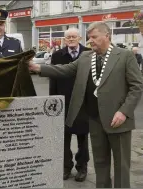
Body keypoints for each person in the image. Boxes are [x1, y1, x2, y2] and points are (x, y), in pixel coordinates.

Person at [29, 21, 143, 188]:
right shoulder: (85, 57)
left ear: (107, 36)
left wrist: (124, 111)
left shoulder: (125, 56)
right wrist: (38, 68)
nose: (91, 41)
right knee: (100, 163)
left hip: (118, 120)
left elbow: (136, 86)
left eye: (95, 37)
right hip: (95, 119)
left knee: (121, 165)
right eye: (89, 38)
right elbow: (65, 69)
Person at [49, 28, 91, 182]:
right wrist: (53, 100)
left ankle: (82, 167)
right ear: (65, 40)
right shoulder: (57, 55)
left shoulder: (89, 53)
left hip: (83, 104)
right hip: (63, 102)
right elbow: (53, 77)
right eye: (68, 37)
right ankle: (66, 167)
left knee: (83, 139)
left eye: (74, 36)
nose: (71, 39)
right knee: (64, 138)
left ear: (80, 38)